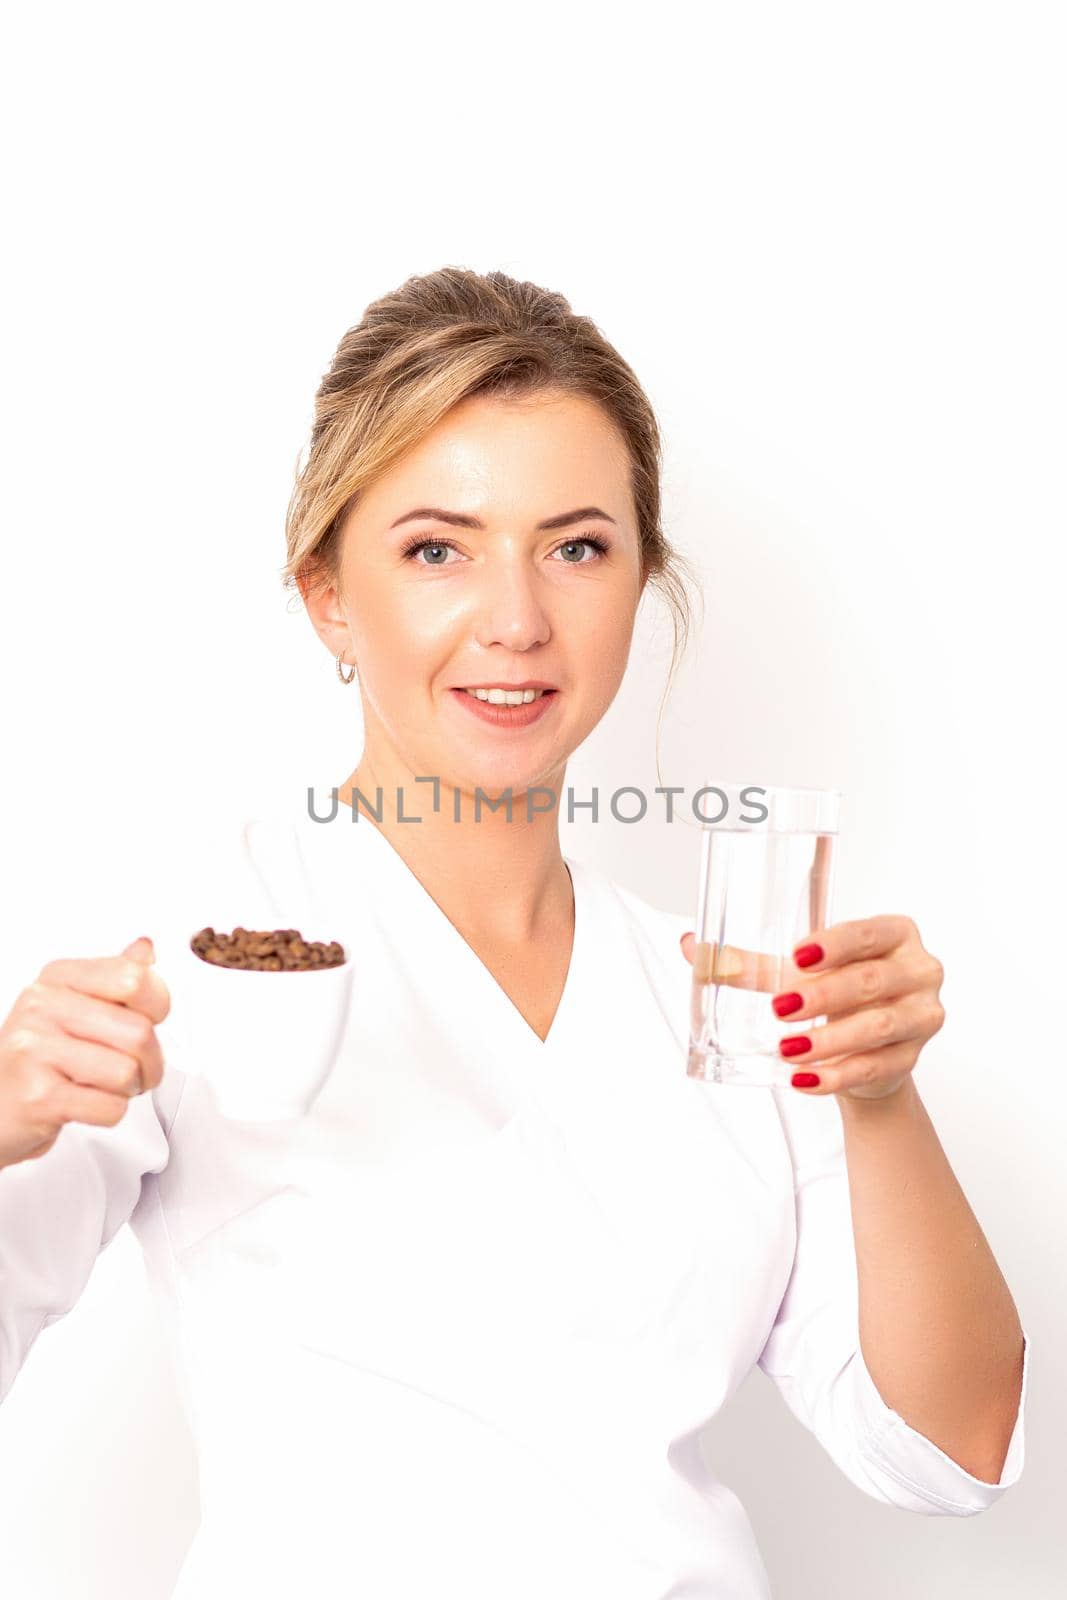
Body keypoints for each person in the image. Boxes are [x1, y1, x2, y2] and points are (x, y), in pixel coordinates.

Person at [0, 268, 1029, 1598]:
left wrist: (881, 1098)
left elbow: (953, 1448)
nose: (519, 620)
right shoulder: (201, 952)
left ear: (642, 578)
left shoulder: (716, 989)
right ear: (326, 592)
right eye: (438, 547)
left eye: (578, 546)